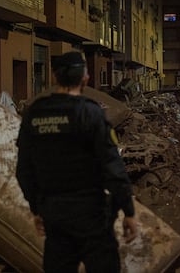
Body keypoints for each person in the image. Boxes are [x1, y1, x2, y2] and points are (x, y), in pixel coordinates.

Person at [15, 51, 137, 273]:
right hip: (93, 217)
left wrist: (37, 208)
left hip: (55, 216)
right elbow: (113, 168)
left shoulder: (34, 114)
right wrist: (128, 211)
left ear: (54, 77)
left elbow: (24, 171)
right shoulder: (90, 113)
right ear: (85, 79)